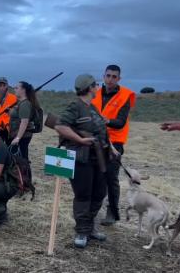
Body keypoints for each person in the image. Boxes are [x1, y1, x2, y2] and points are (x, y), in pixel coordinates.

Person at [54, 74, 116, 248]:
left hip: (99, 158)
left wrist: (111, 147)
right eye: (96, 84)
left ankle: (89, 228)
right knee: (83, 196)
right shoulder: (76, 106)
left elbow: (100, 131)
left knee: (99, 194)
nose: (98, 87)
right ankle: (82, 231)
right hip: (82, 159)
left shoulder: (93, 108)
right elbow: (60, 126)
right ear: (89, 88)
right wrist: (79, 140)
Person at [91, 65, 136, 226]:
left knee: (111, 178)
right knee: (95, 176)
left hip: (114, 143)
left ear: (119, 79)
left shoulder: (125, 96)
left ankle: (113, 212)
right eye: (108, 76)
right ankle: (92, 210)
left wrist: (107, 121)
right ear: (103, 76)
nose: (110, 79)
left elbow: (121, 122)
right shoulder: (94, 92)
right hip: (94, 139)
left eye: (114, 77)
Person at [9, 81, 40, 160]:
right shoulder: (21, 103)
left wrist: (18, 138)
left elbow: (24, 122)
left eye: (17, 88)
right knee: (20, 159)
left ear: (23, 90)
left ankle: (26, 172)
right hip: (20, 135)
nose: (14, 89)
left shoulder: (25, 104)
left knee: (22, 160)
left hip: (22, 137)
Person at [0, 77, 18, 144]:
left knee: (10, 149)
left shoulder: (14, 98)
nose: (2, 87)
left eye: (4, 85)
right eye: (0, 85)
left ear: (7, 86)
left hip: (10, 129)